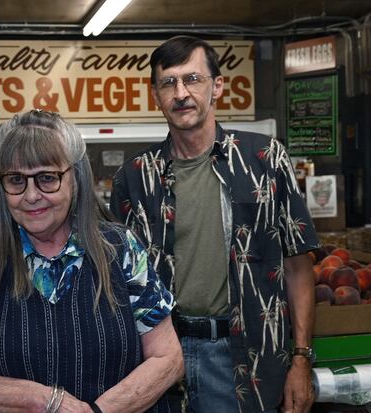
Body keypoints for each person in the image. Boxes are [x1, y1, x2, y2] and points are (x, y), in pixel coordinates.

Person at [110, 36, 320, 413]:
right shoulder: (135, 177)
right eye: (168, 82)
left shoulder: (264, 160)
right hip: (159, 357)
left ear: (217, 86)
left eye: (193, 79)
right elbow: (121, 281)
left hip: (241, 357)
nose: (181, 93)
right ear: (154, 94)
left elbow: (297, 265)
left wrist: (302, 359)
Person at [0, 110, 184, 413]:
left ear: (75, 179)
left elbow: (167, 359)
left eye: (47, 178)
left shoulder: (120, 249)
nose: (32, 195)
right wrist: (46, 401)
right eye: (16, 180)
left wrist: (98, 412)